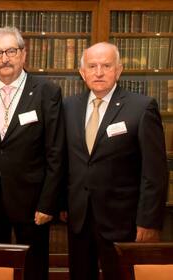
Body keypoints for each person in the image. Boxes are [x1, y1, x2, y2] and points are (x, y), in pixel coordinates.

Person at [0, 27, 65, 280]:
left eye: (11, 51)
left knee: (34, 267)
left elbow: (56, 151)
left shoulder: (46, 91)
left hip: (32, 200)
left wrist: (48, 202)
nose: (4, 58)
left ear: (23, 54)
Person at [63, 42, 168, 280]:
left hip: (123, 221)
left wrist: (149, 222)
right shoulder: (68, 107)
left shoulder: (141, 107)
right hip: (79, 219)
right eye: (92, 66)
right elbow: (65, 161)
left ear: (119, 70)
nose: (99, 72)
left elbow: (155, 172)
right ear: (82, 72)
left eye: (106, 65)